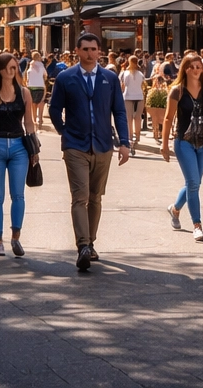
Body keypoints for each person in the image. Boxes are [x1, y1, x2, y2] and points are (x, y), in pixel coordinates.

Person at [47, 31, 130, 272]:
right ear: (77, 51)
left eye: (94, 49)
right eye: (85, 49)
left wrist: (124, 142)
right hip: (75, 146)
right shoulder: (65, 78)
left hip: (103, 145)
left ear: (99, 51)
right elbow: (54, 109)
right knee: (80, 196)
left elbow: (119, 111)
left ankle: (91, 243)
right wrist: (64, 132)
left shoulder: (109, 78)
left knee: (95, 197)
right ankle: (82, 245)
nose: (90, 53)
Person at [160, 51, 203, 242]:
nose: (196, 70)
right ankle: (197, 226)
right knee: (193, 183)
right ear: (185, 69)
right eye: (192, 67)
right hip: (184, 142)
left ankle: (175, 209)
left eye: (199, 67)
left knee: (194, 184)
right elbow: (168, 118)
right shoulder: (177, 91)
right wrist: (164, 145)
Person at [0, 52, 37, 257]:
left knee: (18, 194)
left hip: (19, 146)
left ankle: (16, 237)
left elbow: (29, 122)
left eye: (15, 67)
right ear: (0, 70)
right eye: (10, 67)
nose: (13, 71)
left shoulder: (24, 93)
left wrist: (34, 148)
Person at [119, 55, 147, 147]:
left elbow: (123, 85)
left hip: (129, 96)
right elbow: (143, 85)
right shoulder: (139, 73)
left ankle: (131, 136)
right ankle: (136, 136)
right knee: (136, 118)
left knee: (130, 118)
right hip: (137, 96)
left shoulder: (126, 73)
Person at [25, 54, 48, 130]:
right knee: (41, 103)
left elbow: (27, 76)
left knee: (33, 104)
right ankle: (40, 120)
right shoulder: (41, 65)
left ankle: (34, 120)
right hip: (40, 86)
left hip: (31, 86)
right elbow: (45, 75)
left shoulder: (30, 65)